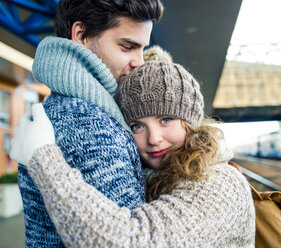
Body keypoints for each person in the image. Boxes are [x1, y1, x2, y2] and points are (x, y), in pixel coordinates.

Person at [11, 60, 256, 247]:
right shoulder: (156, 176)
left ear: (191, 122)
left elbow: (130, 241)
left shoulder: (220, 182)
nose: (153, 139)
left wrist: (42, 158)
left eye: (166, 119)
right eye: (137, 126)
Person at [17, 0, 164, 246]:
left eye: (142, 49)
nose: (140, 61)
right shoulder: (85, 122)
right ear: (81, 34)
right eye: (127, 47)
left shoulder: (73, 109)